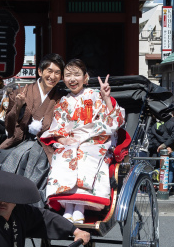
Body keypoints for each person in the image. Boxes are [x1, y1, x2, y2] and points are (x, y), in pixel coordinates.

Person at [40, 60, 124, 223]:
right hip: (70, 141)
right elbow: (58, 126)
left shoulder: (95, 96)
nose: (72, 79)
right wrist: (63, 138)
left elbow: (114, 122)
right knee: (63, 157)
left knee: (85, 154)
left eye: (77, 75)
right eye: (68, 75)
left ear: (85, 78)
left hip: (94, 139)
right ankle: (69, 206)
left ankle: (79, 207)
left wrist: (106, 98)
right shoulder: (63, 102)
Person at [0, 53, 66, 162]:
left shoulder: (62, 97)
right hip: (21, 144)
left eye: (57, 73)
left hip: (49, 147)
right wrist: (18, 105)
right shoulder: (19, 93)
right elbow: (9, 126)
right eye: (49, 71)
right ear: (40, 71)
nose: (53, 76)